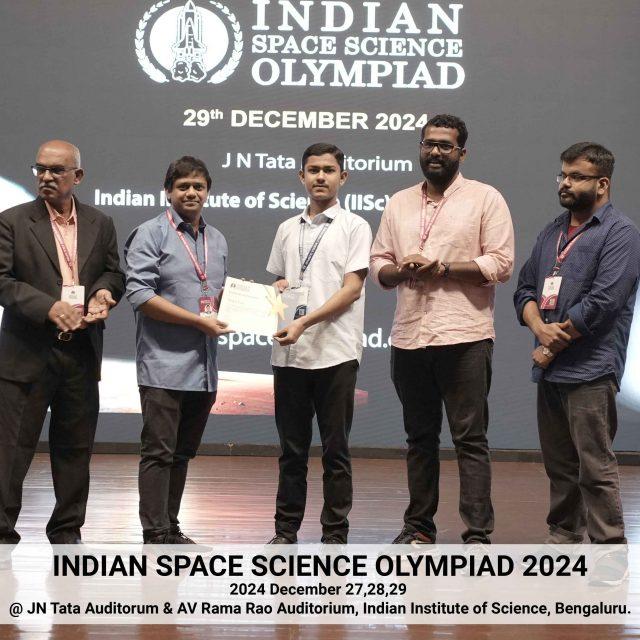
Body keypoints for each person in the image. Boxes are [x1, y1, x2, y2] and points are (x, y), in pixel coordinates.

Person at [370, 114, 514, 544]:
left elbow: (500, 263)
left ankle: (477, 535)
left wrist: (443, 268)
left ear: (462, 153)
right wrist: (401, 270)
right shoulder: (398, 202)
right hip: (409, 336)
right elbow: (378, 262)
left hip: (464, 336)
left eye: (445, 145)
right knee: (419, 438)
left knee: (470, 439)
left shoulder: (486, 199)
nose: (435, 151)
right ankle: (418, 527)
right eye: (428, 144)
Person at [514, 142, 640, 548]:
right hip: (551, 370)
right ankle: (564, 537)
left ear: (602, 184)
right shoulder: (553, 230)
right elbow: (525, 288)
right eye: (563, 175)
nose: (565, 183)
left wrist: (550, 345)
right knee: (560, 465)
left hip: (591, 369)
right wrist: (538, 326)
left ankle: (608, 550)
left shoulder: (621, 233)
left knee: (595, 467)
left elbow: (603, 304)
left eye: (577, 177)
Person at [0, 140, 124, 544]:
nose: (46, 177)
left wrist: (104, 293)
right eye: (40, 169)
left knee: (75, 447)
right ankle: (2, 530)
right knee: (12, 449)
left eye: (56, 170)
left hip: (80, 352)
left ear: (78, 176)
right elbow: (3, 281)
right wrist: (49, 307)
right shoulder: (12, 221)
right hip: (27, 352)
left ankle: (67, 529)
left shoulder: (100, 222)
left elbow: (113, 273)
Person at [266, 142, 372, 544]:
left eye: (329, 170)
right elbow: (280, 281)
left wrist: (304, 322)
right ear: (301, 176)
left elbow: (352, 289)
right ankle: (285, 531)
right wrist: (278, 289)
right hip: (289, 354)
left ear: (343, 177)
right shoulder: (286, 228)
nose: (320, 177)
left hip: (336, 352)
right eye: (313, 170)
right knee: (291, 451)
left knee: (335, 450)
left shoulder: (355, 226)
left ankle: (334, 534)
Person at [125, 156, 230, 544]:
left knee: (182, 454)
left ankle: (170, 527)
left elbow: (215, 297)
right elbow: (140, 295)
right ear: (168, 191)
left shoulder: (217, 239)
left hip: (203, 368)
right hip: (163, 366)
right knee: (159, 453)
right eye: (183, 186)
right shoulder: (150, 233)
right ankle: (155, 533)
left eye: (198, 186)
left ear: (208, 192)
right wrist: (196, 321)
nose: (191, 192)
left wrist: (263, 300)